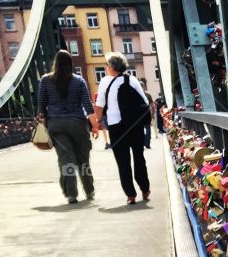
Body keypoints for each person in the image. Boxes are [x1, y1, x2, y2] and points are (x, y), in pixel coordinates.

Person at [35, 50, 100, 204]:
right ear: (70, 63)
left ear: (55, 63)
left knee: (66, 159)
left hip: (56, 124)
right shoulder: (79, 81)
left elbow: (41, 108)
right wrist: (95, 126)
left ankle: (71, 194)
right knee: (83, 159)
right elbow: (88, 107)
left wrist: (42, 124)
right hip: (77, 123)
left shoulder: (45, 80)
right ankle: (89, 191)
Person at [95, 53, 152, 205]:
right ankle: (145, 189)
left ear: (112, 67)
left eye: (107, 65)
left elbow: (99, 105)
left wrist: (98, 121)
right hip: (134, 125)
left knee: (123, 161)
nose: (106, 68)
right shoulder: (131, 79)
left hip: (116, 126)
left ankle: (130, 195)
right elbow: (145, 101)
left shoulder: (105, 82)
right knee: (139, 157)